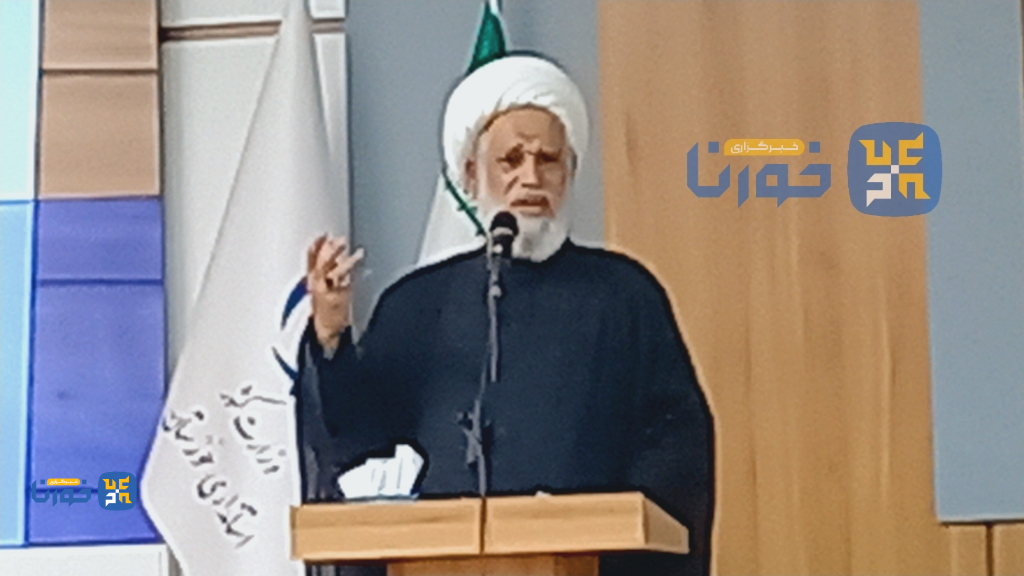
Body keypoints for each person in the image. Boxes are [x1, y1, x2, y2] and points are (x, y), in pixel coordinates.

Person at [295, 54, 715, 576]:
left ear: (569, 172)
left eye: (548, 160)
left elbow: (675, 451)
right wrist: (330, 337)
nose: (530, 178)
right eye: (511, 160)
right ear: (473, 175)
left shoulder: (625, 297)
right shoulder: (416, 305)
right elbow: (358, 446)